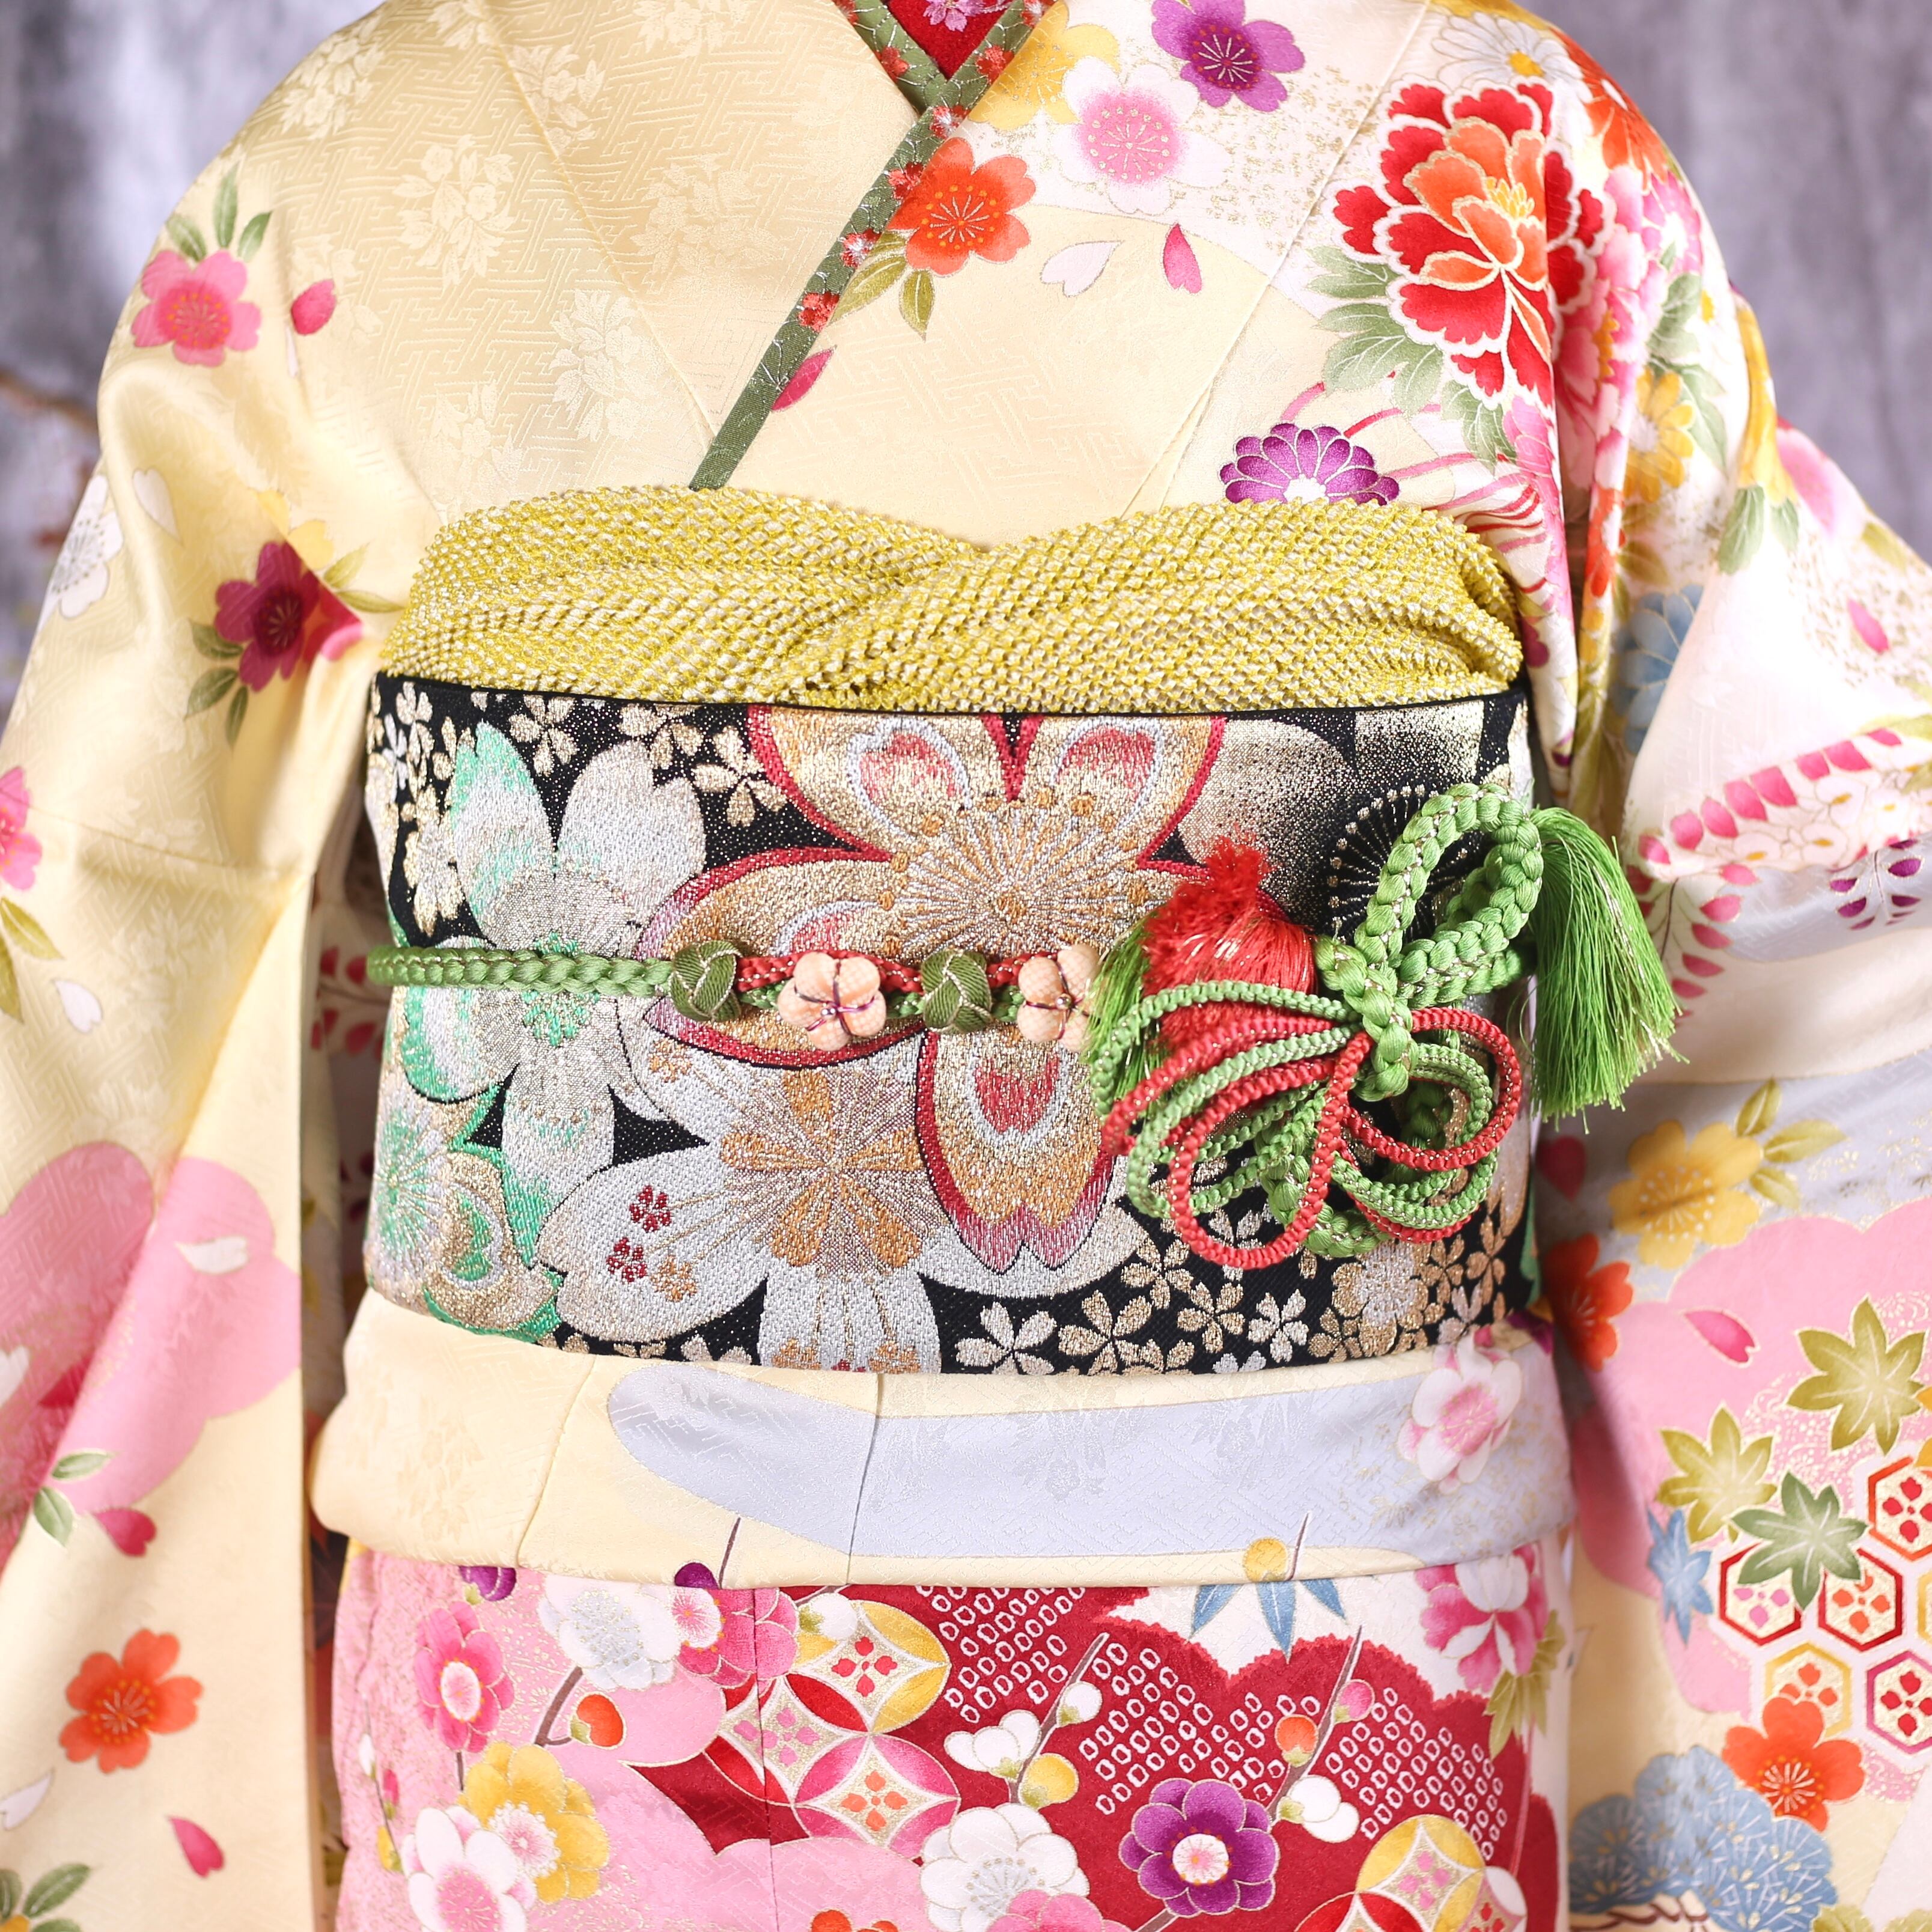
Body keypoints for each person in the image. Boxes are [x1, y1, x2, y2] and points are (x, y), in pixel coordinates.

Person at [0, 0, 1925, 1924]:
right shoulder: (390, 146)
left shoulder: (1488, 142)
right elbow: (158, 874)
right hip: (557, 1637)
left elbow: (1793, 892)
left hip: (1339, 1647)